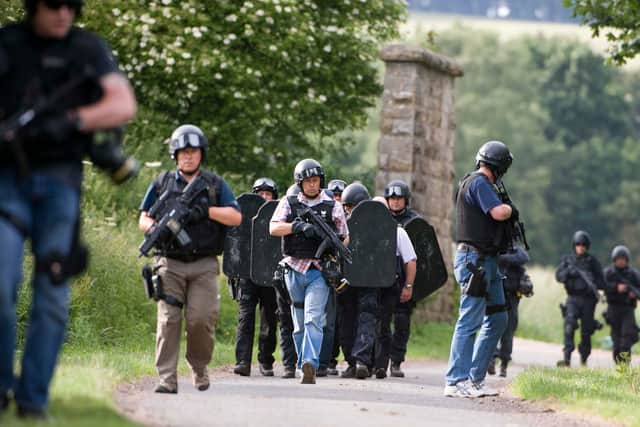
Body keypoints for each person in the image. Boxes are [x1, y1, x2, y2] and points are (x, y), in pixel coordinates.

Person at [0, 0, 136, 418]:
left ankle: (32, 400)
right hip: (8, 178)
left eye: (72, 5)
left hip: (60, 183)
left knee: (53, 290)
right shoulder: (9, 44)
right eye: (54, 4)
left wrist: (73, 120)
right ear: (32, 6)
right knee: (1, 279)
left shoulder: (87, 48)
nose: (64, 13)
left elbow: (122, 104)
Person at [139, 125, 241, 394]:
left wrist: (206, 211)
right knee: (168, 319)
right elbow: (143, 217)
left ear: (201, 154)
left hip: (204, 264)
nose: (188, 157)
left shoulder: (215, 185)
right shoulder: (162, 183)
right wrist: (156, 228)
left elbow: (235, 216)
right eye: (183, 152)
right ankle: (166, 378)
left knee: (201, 318)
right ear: (175, 155)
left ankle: (198, 366)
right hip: (169, 262)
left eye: (193, 152)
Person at [444, 140, 515, 398]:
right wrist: (509, 208)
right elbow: (498, 213)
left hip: (487, 261)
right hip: (474, 261)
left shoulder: (473, 182)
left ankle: (475, 379)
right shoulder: (480, 183)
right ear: (501, 166)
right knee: (470, 318)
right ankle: (455, 381)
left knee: (498, 317)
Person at [270, 159, 348, 384]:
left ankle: (310, 364)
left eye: (315, 181)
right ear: (300, 183)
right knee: (298, 324)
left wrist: (331, 247)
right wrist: (297, 226)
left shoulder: (332, 205)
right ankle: (301, 362)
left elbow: (345, 235)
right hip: (294, 269)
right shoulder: (289, 202)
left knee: (314, 319)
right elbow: (273, 227)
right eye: (308, 181)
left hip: (319, 271)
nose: (312, 185)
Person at [233, 178, 279, 377]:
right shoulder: (243, 217)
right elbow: (234, 244)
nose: (264, 197)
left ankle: (266, 360)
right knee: (245, 318)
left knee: (270, 320)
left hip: (270, 275)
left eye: (268, 194)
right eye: (260, 193)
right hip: (247, 275)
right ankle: (242, 361)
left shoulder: (278, 216)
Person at [335, 183, 379, 379]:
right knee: (347, 321)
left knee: (366, 319)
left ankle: (361, 361)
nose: (348, 210)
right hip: (347, 280)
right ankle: (353, 363)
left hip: (369, 279)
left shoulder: (377, 225)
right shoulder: (341, 224)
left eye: (352, 207)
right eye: (347, 207)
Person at [372, 196, 417, 379]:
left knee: (384, 324)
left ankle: (383, 364)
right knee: (366, 323)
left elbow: (411, 261)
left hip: (390, 285)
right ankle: (364, 363)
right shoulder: (363, 230)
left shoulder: (398, 232)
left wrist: (408, 285)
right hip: (367, 285)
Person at [383, 179, 419, 377]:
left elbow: (419, 255)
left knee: (402, 321)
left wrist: (410, 284)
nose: (395, 202)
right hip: (383, 279)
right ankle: (380, 360)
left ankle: (396, 361)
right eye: (392, 198)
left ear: (406, 200)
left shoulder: (415, 222)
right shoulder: (380, 218)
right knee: (381, 321)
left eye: (399, 199)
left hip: (405, 279)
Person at [555, 230, 605, 367]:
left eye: (583, 244)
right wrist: (569, 273)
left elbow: (602, 283)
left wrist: (592, 281)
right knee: (569, 326)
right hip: (573, 298)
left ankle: (584, 359)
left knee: (586, 331)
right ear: (574, 245)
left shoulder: (593, 262)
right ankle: (567, 359)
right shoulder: (568, 261)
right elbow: (558, 276)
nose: (581, 247)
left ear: (587, 246)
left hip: (588, 300)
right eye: (578, 244)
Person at [318, 178, 347, 377]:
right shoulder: (323, 213)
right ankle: (322, 360)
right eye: (334, 195)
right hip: (323, 269)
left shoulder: (346, 218)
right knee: (323, 318)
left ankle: (331, 359)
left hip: (343, 273)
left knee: (337, 320)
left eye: (340, 196)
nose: (337, 199)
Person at [487, 244, 529, 377]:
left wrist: (504, 258)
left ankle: (504, 363)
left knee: (508, 331)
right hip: (497, 294)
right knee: (493, 327)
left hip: (511, 297)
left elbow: (523, 257)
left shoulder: (516, 250)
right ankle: (492, 359)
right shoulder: (495, 245)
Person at [603, 245, 639, 364]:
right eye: (618, 259)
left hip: (628, 310)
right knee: (617, 343)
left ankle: (625, 366)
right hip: (613, 309)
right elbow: (601, 286)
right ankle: (619, 366)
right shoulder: (608, 273)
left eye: (623, 259)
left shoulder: (633, 274)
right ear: (614, 259)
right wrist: (615, 288)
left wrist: (634, 294)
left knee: (626, 339)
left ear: (627, 260)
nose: (621, 261)